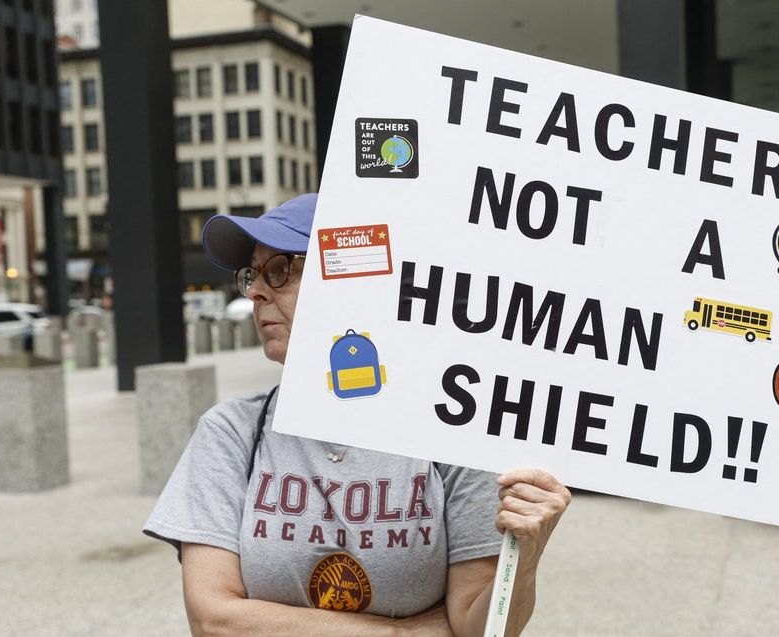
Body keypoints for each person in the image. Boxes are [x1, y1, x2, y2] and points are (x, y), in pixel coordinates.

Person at [144, 193, 573, 636]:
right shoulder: (232, 431)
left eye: (279, 271)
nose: (254, 291)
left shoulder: (450, 430)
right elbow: (213, 621)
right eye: (252, 274)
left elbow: (479, 628)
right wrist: (401, 632)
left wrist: (523, 560)